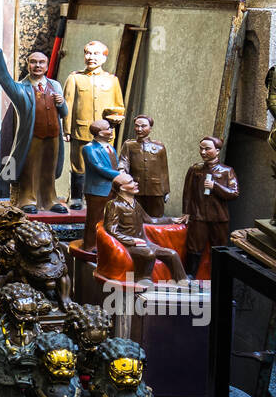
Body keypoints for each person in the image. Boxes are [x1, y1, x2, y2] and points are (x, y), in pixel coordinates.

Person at [0, 36, 68, 213]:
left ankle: (50, 200)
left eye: (41, 62)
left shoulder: (55, 85)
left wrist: (61, 103)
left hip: (53, 135)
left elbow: (65, 113)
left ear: (46, 66)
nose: (37, 66)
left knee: (49, 169)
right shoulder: (21, 89)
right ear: (28, 65)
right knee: (29, 169)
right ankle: (27, 199)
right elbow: (3, 78)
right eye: (33, 62)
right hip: (32, 136)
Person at [63, 40, 124, 209]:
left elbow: (120, 106)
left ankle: (105, 196)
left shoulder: (112, 81)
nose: (91, 57)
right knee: (79, 164)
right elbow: (67, 105)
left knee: (105, 163)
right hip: (81, 130)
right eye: (88, 53)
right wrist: (66, 129)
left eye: (96, 54)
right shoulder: (75, 78)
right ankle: (76, 198)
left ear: (104, 58)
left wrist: (114, 115)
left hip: (105, 133)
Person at [101, 174, 188, 283]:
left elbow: (151, 220)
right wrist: (132, 240)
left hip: (144, 243)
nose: (136, 183)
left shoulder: (135, 203)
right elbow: (111, 230)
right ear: (122, 188)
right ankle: (142, 280)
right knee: (148, 254)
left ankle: (183, 282)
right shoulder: (113, 205)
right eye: (131, 182)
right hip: (129, 245)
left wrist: (172, 220)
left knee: (172, 254)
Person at [181, 135, 239, 275]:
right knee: (194, 247)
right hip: (198, 216)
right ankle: (190, 275)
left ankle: (217, 276)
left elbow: (234, 193)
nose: (203, 152)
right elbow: (187, 193)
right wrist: (187, 212)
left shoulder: (226, 171)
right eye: (201, 149)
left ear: (217, 151)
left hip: (219, 218)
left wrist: (216, 186)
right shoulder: (195, 169)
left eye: (207, 149)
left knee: (219, 248)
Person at [82, 119, 124, 252]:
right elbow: (98, 167)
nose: (111, 130)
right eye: (108, 128)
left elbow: (115, 164)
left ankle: (103, 244)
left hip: (111, 188)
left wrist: (120, 172)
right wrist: (118, 175)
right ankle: (90, 245)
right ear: (99, 133)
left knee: (108, 218)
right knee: (94, 219)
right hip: (97, 189)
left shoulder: (110, 147)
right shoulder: (89, 148)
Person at [120, 115, 170, 217]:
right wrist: (122, 174)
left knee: (156, 218)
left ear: (150, 128)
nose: (139, 129)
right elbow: (123, 162)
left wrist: (166, 190)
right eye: (137, 126)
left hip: (156, 190)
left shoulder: (160, 146)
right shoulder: (129, 145)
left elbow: (164, 171)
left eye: (143, 126)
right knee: (134, 217)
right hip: (135, 188)